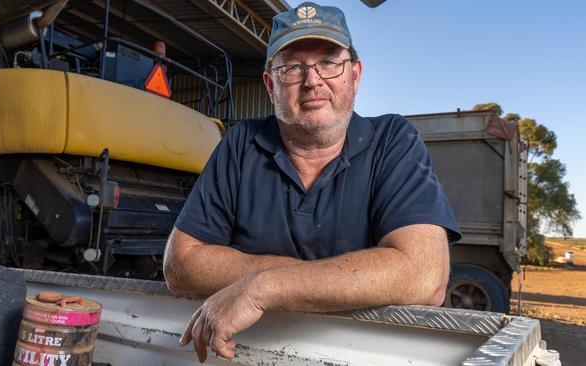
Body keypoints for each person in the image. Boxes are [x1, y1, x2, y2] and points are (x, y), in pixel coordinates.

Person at [163, 1, 461, 362]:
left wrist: (262, 288)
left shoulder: (393, 140)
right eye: (292, 67)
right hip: (247, 352)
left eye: (329, 62)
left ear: (355, 75)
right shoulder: (241, 144)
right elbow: (180, 265)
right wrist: (340, 278)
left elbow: (424, 275)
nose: (312, 80)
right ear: (270, 85)